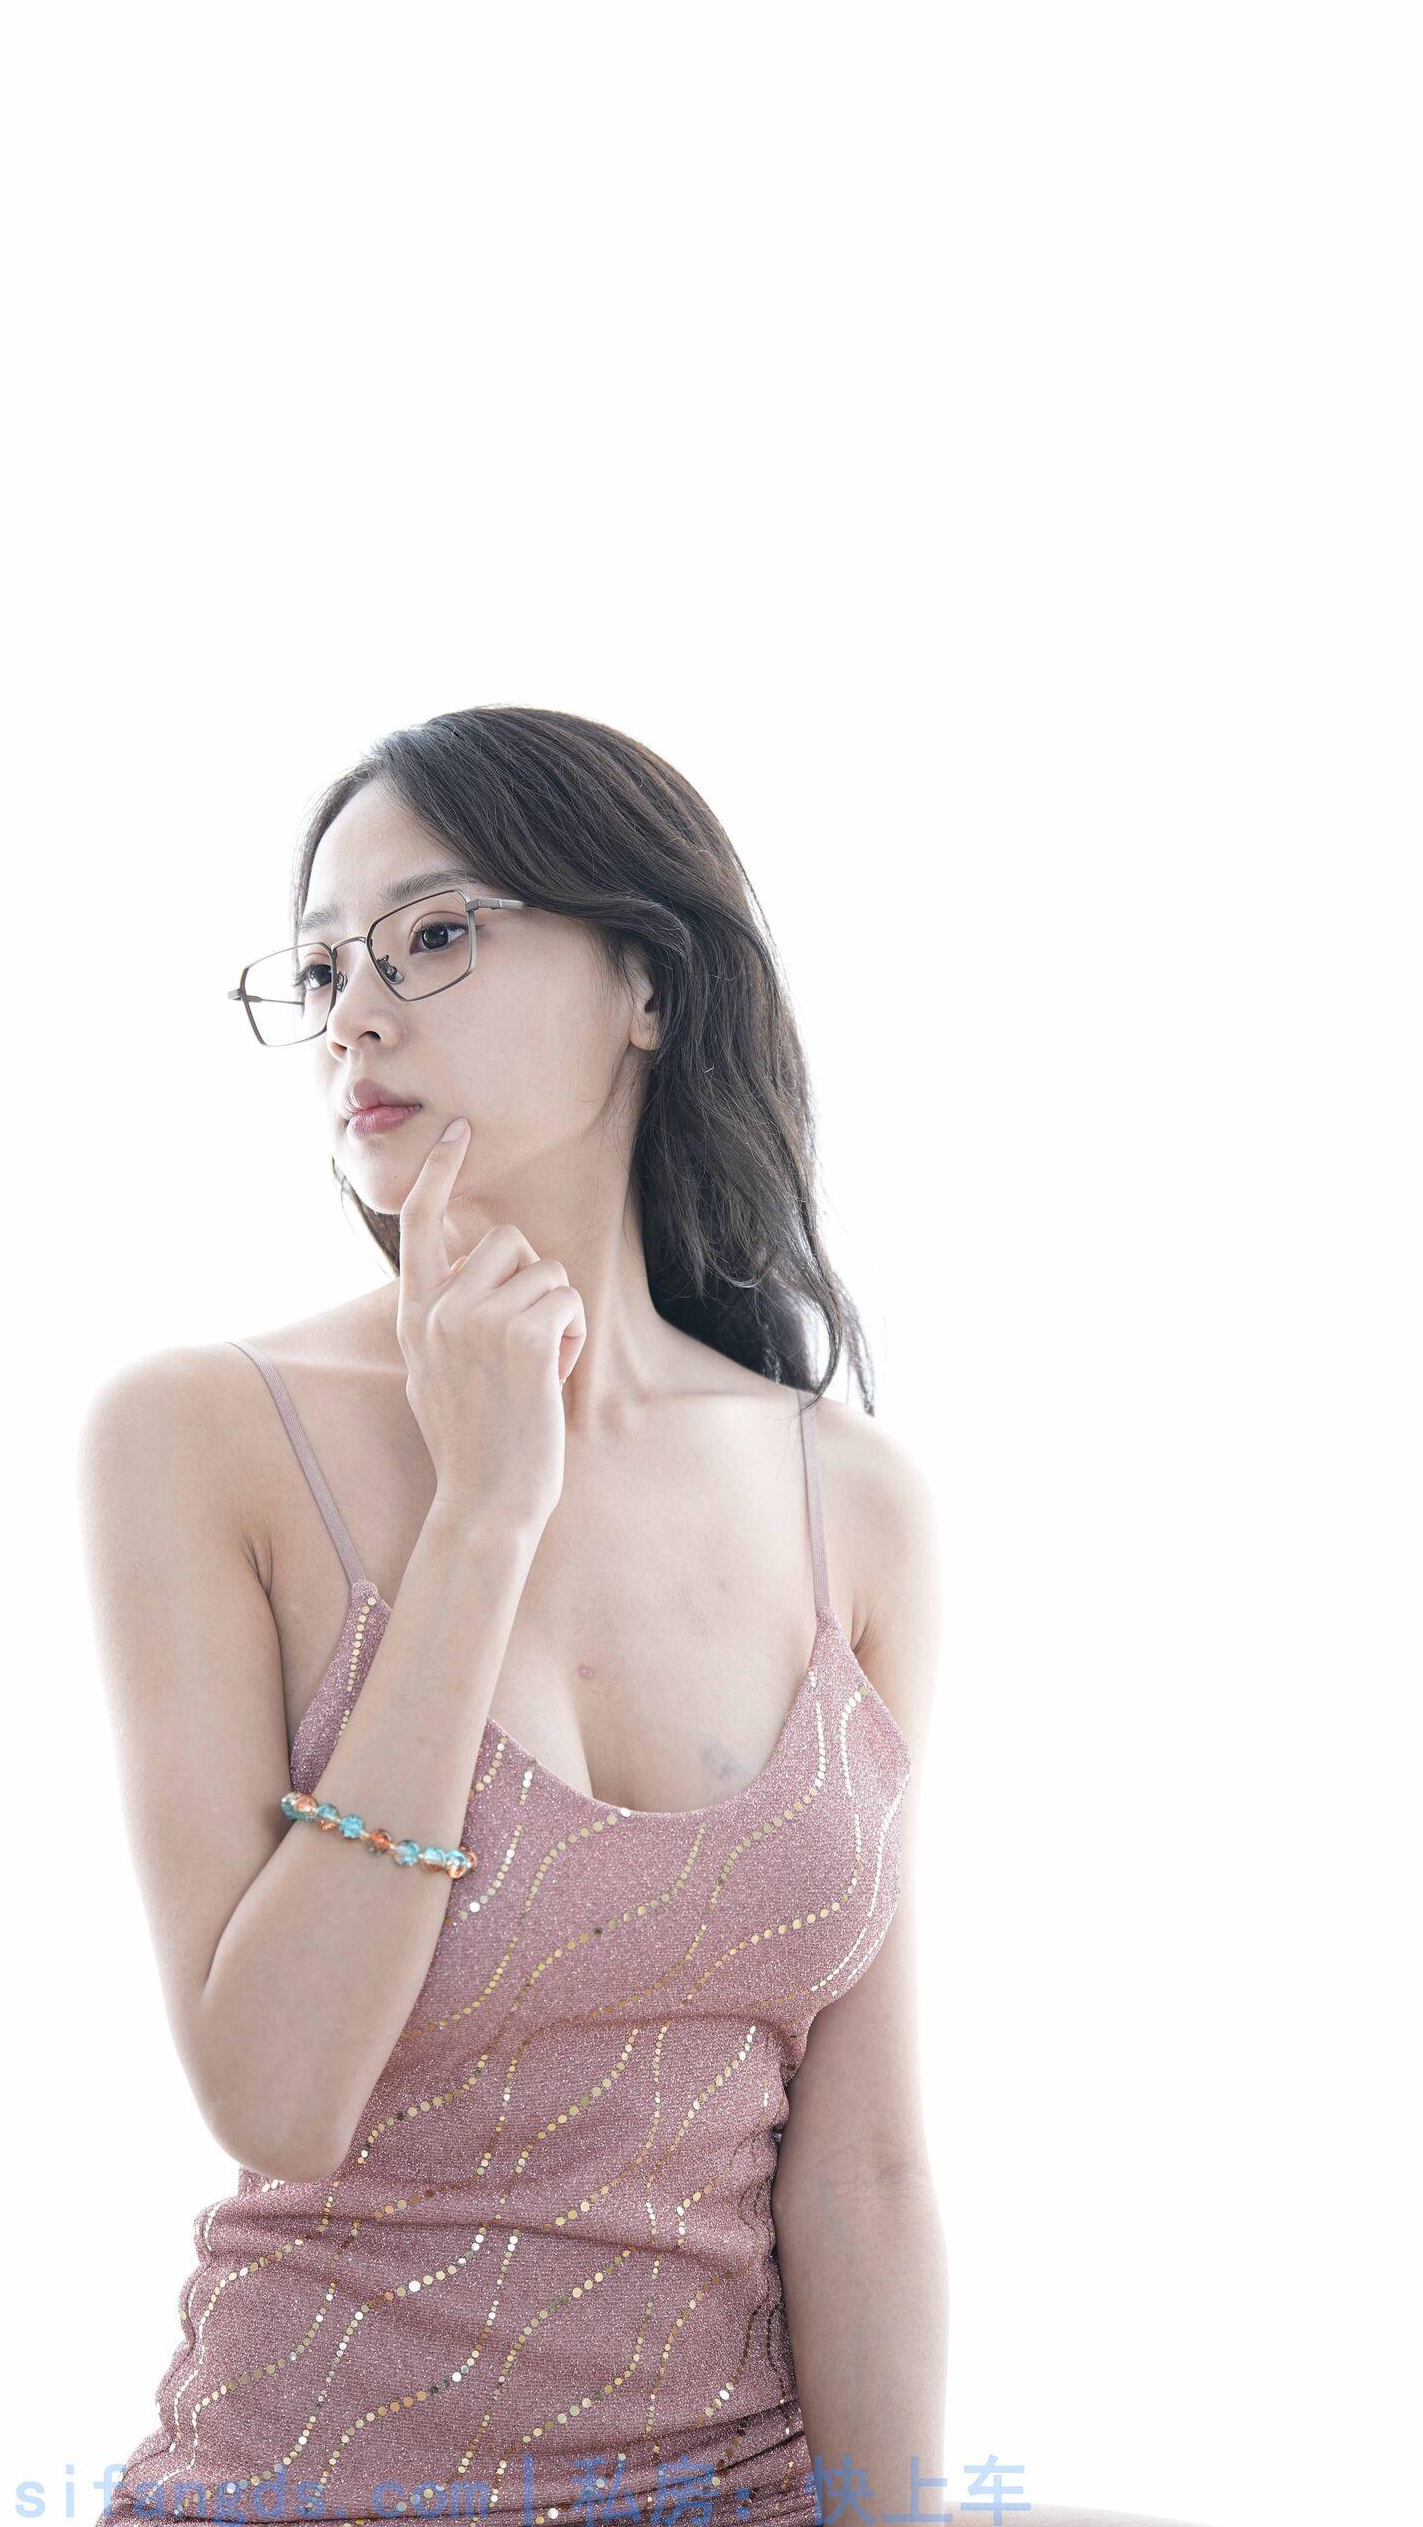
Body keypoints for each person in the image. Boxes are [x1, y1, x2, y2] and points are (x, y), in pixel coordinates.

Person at [78, 708, 1207, 2527]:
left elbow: (864, 2173)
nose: (356, 1015)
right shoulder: (202, 1436)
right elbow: (278, 2094)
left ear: (650, 989)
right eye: (323, 967)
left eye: (434, 935)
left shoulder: (852, 1503)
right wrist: (484, 1514)